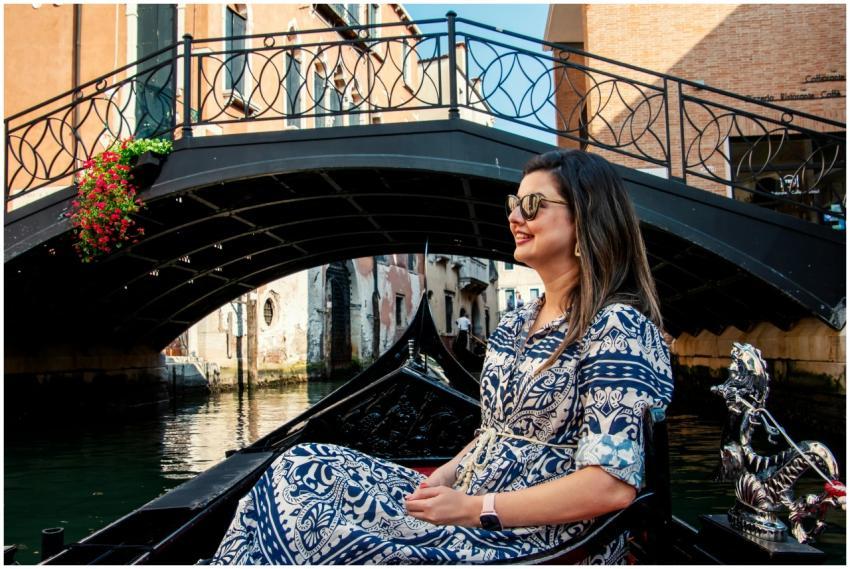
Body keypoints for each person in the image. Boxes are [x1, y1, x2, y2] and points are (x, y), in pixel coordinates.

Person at [210, 149, 673, 564]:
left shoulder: (618, 328)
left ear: (586, 219)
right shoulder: (515, 322)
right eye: (513, 205)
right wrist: (446, 476)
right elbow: (494, 433)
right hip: (472, 499)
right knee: (299, 465)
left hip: (533, 540)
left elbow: (610, 485)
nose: (515, 216)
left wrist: (474, 510)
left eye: (532, 205)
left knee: (312, 514)